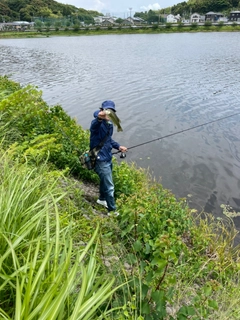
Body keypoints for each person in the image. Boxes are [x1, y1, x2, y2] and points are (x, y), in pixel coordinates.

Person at [90, 100, 127, 216]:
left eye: (111, 111)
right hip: (100, 159)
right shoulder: (97, 123)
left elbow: (108, 140)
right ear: (102, 110)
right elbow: (95, 124)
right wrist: (99, 118)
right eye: (107, 111)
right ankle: (112, 211)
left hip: (107, 157)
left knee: (104, 181)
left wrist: (118, 146)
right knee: (110, 187)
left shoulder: (109, 124)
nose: (109, 114)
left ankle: (101, 199)